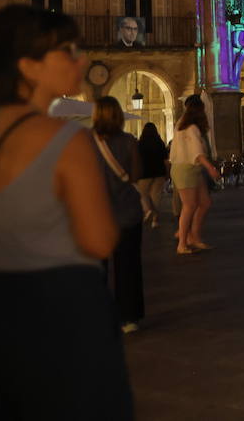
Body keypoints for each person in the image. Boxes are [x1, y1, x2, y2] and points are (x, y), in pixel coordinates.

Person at [0, 5, 134, 418]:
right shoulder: (65, 140)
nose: (83, 58)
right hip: (58, 313)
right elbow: (99, 240)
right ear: (29, 66)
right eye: (68, 50)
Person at [91, 96, 145, 332]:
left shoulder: (85, 143)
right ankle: (129, 317)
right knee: (128, 266)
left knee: (96, 269)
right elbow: (136, 176)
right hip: (127, 214)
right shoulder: (130, 142)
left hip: (95, 216)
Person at [171, 95, 221, 254]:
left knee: (205, 202)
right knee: (189, 205)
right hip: (186, 168)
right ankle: (182, 243)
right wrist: (210, 168)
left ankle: (194, 236)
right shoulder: (191, 127)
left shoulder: (181, 124)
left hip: (191, 168)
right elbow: (196, 152)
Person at [135, 122, 168, 228]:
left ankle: (148, 209)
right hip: (159, 173)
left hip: (144, 173)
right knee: (156, 196)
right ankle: (155, 220)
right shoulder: (160, 143)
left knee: (143, 194)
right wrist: (167, 172)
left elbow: (136, 160)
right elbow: (166, 160)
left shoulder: (140, 143)